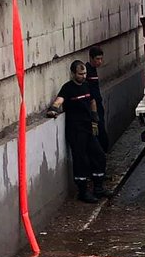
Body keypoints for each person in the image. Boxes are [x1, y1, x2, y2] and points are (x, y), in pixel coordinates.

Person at [47, 60, 109, 203]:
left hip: (88, 128)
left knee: (99, 155)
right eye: (80, 74)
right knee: (81, 159)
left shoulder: (87, 86)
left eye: (85, 73)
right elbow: (59, 100)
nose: (83, 76)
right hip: (76, 130)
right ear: (73, 73)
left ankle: (98, 187)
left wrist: (95, 118)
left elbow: (92, 101)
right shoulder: (68, 88)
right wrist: (53, 109)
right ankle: (83, 191)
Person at [85, 45, 109, 152]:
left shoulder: (93, 70)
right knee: (100, 131)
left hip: (98, 104)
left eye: (101, 59)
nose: (100, 62)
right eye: (97, 59)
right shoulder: (88, 71)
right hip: (93, 107)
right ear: (91, 58)